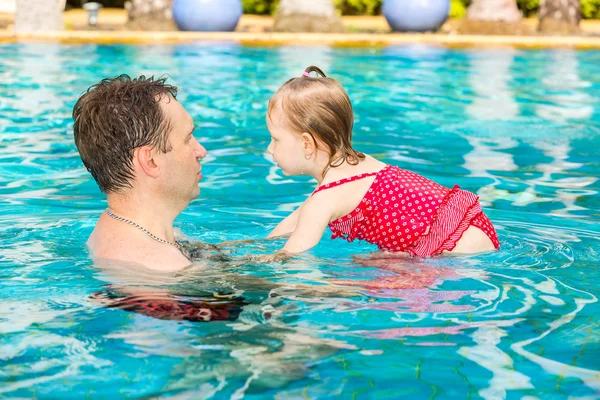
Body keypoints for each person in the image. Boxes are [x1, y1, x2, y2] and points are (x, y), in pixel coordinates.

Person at [265, 66, 500, 257]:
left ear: (307, 144)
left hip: (454, 250)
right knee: (372, 260)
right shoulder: (356, 164)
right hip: (473, 225)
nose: (269, 148)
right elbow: (292, 223)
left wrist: (256, 264)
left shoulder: (325, 198)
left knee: (353, 275)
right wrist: (244, 247)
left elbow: (293, 254)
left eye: (275, 139)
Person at [72, 75, 207, 271]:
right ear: (150, 161)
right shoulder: (162, 266)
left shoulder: (129, 234)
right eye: (188, 139)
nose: (201, 151)